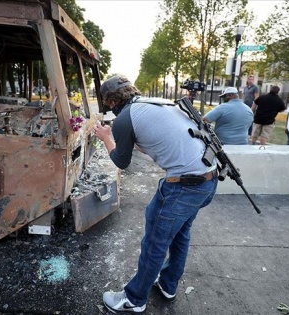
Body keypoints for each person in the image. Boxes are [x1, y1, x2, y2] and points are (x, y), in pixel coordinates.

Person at [94, 75, 218, 314]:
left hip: (183, 188)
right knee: (181, 235)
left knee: (154, 244)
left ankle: (134, 299)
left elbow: (122, 161)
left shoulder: (123, 118)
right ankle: (168, 284)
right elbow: (153, 142)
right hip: (207, 181)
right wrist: (118, 138)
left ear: (110, 102)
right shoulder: (157, 103)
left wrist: (107, 138)